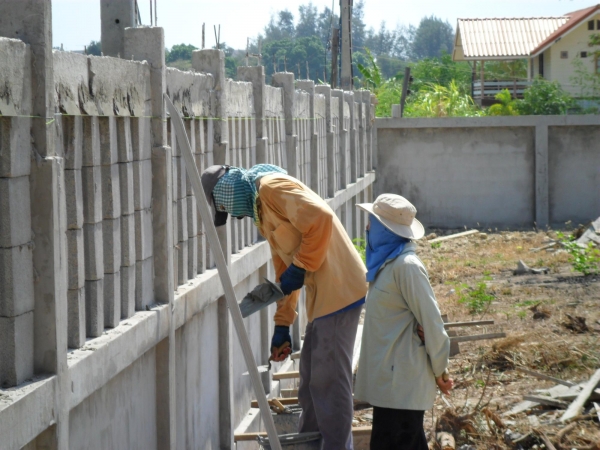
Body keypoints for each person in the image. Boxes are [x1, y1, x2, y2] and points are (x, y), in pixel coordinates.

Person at [201, 164, 367, 449]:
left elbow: (321, 219)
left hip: (339, 289)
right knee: (311, 382)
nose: (235, 215)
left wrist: (301, 266)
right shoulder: (262, 210)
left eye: (227, 207)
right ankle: (310, 444)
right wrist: (282, 323)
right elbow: (284, 270)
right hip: (323, 297)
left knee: (329, 382)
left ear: (226, 191)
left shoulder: (271, 188)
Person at [353, 193, 453, 450]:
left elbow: (432, 323)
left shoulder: (406, 266)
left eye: (372, 223)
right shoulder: (387, 266)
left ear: (385, 229)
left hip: (401, 386)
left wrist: (440, 370)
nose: (367, 228)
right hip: (390, 385)